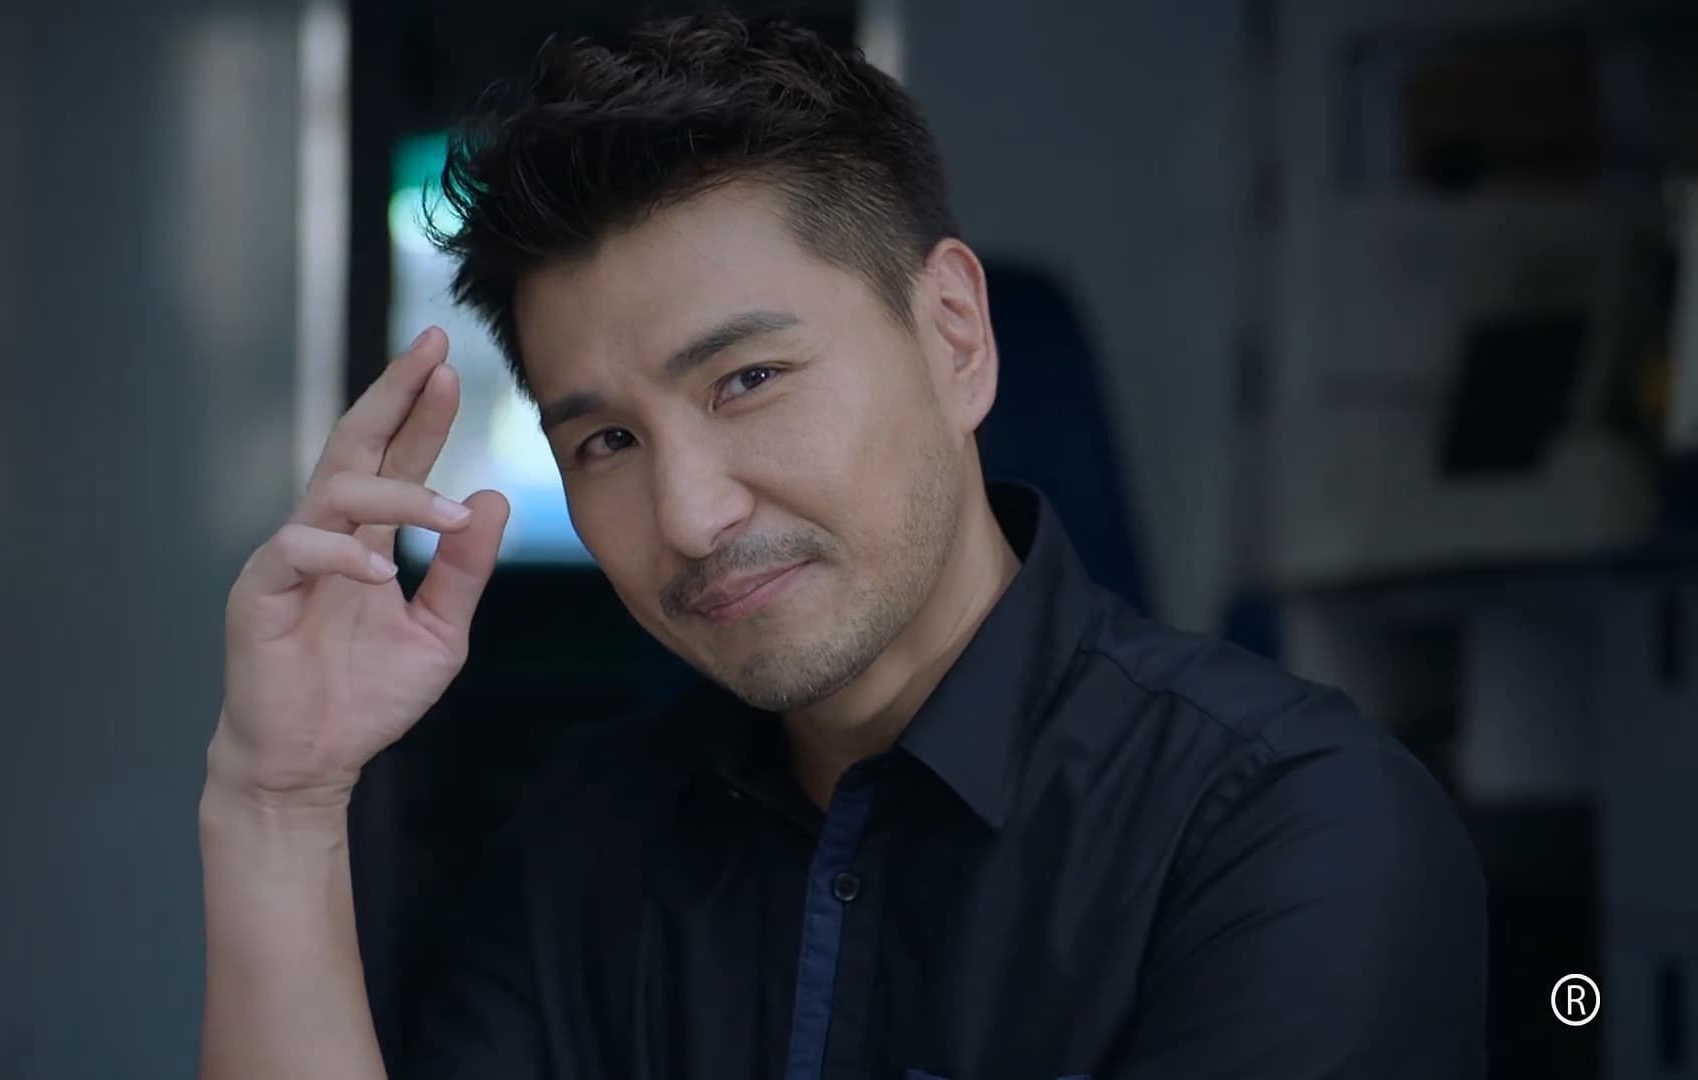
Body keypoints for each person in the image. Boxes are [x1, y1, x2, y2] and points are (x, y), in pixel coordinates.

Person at [198, 11, 1487, 1079]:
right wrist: (279, 804)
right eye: (607, 442)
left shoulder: (1287, 831)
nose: (691, 516)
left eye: (749, 380)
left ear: (955, 337)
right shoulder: (588, 846)